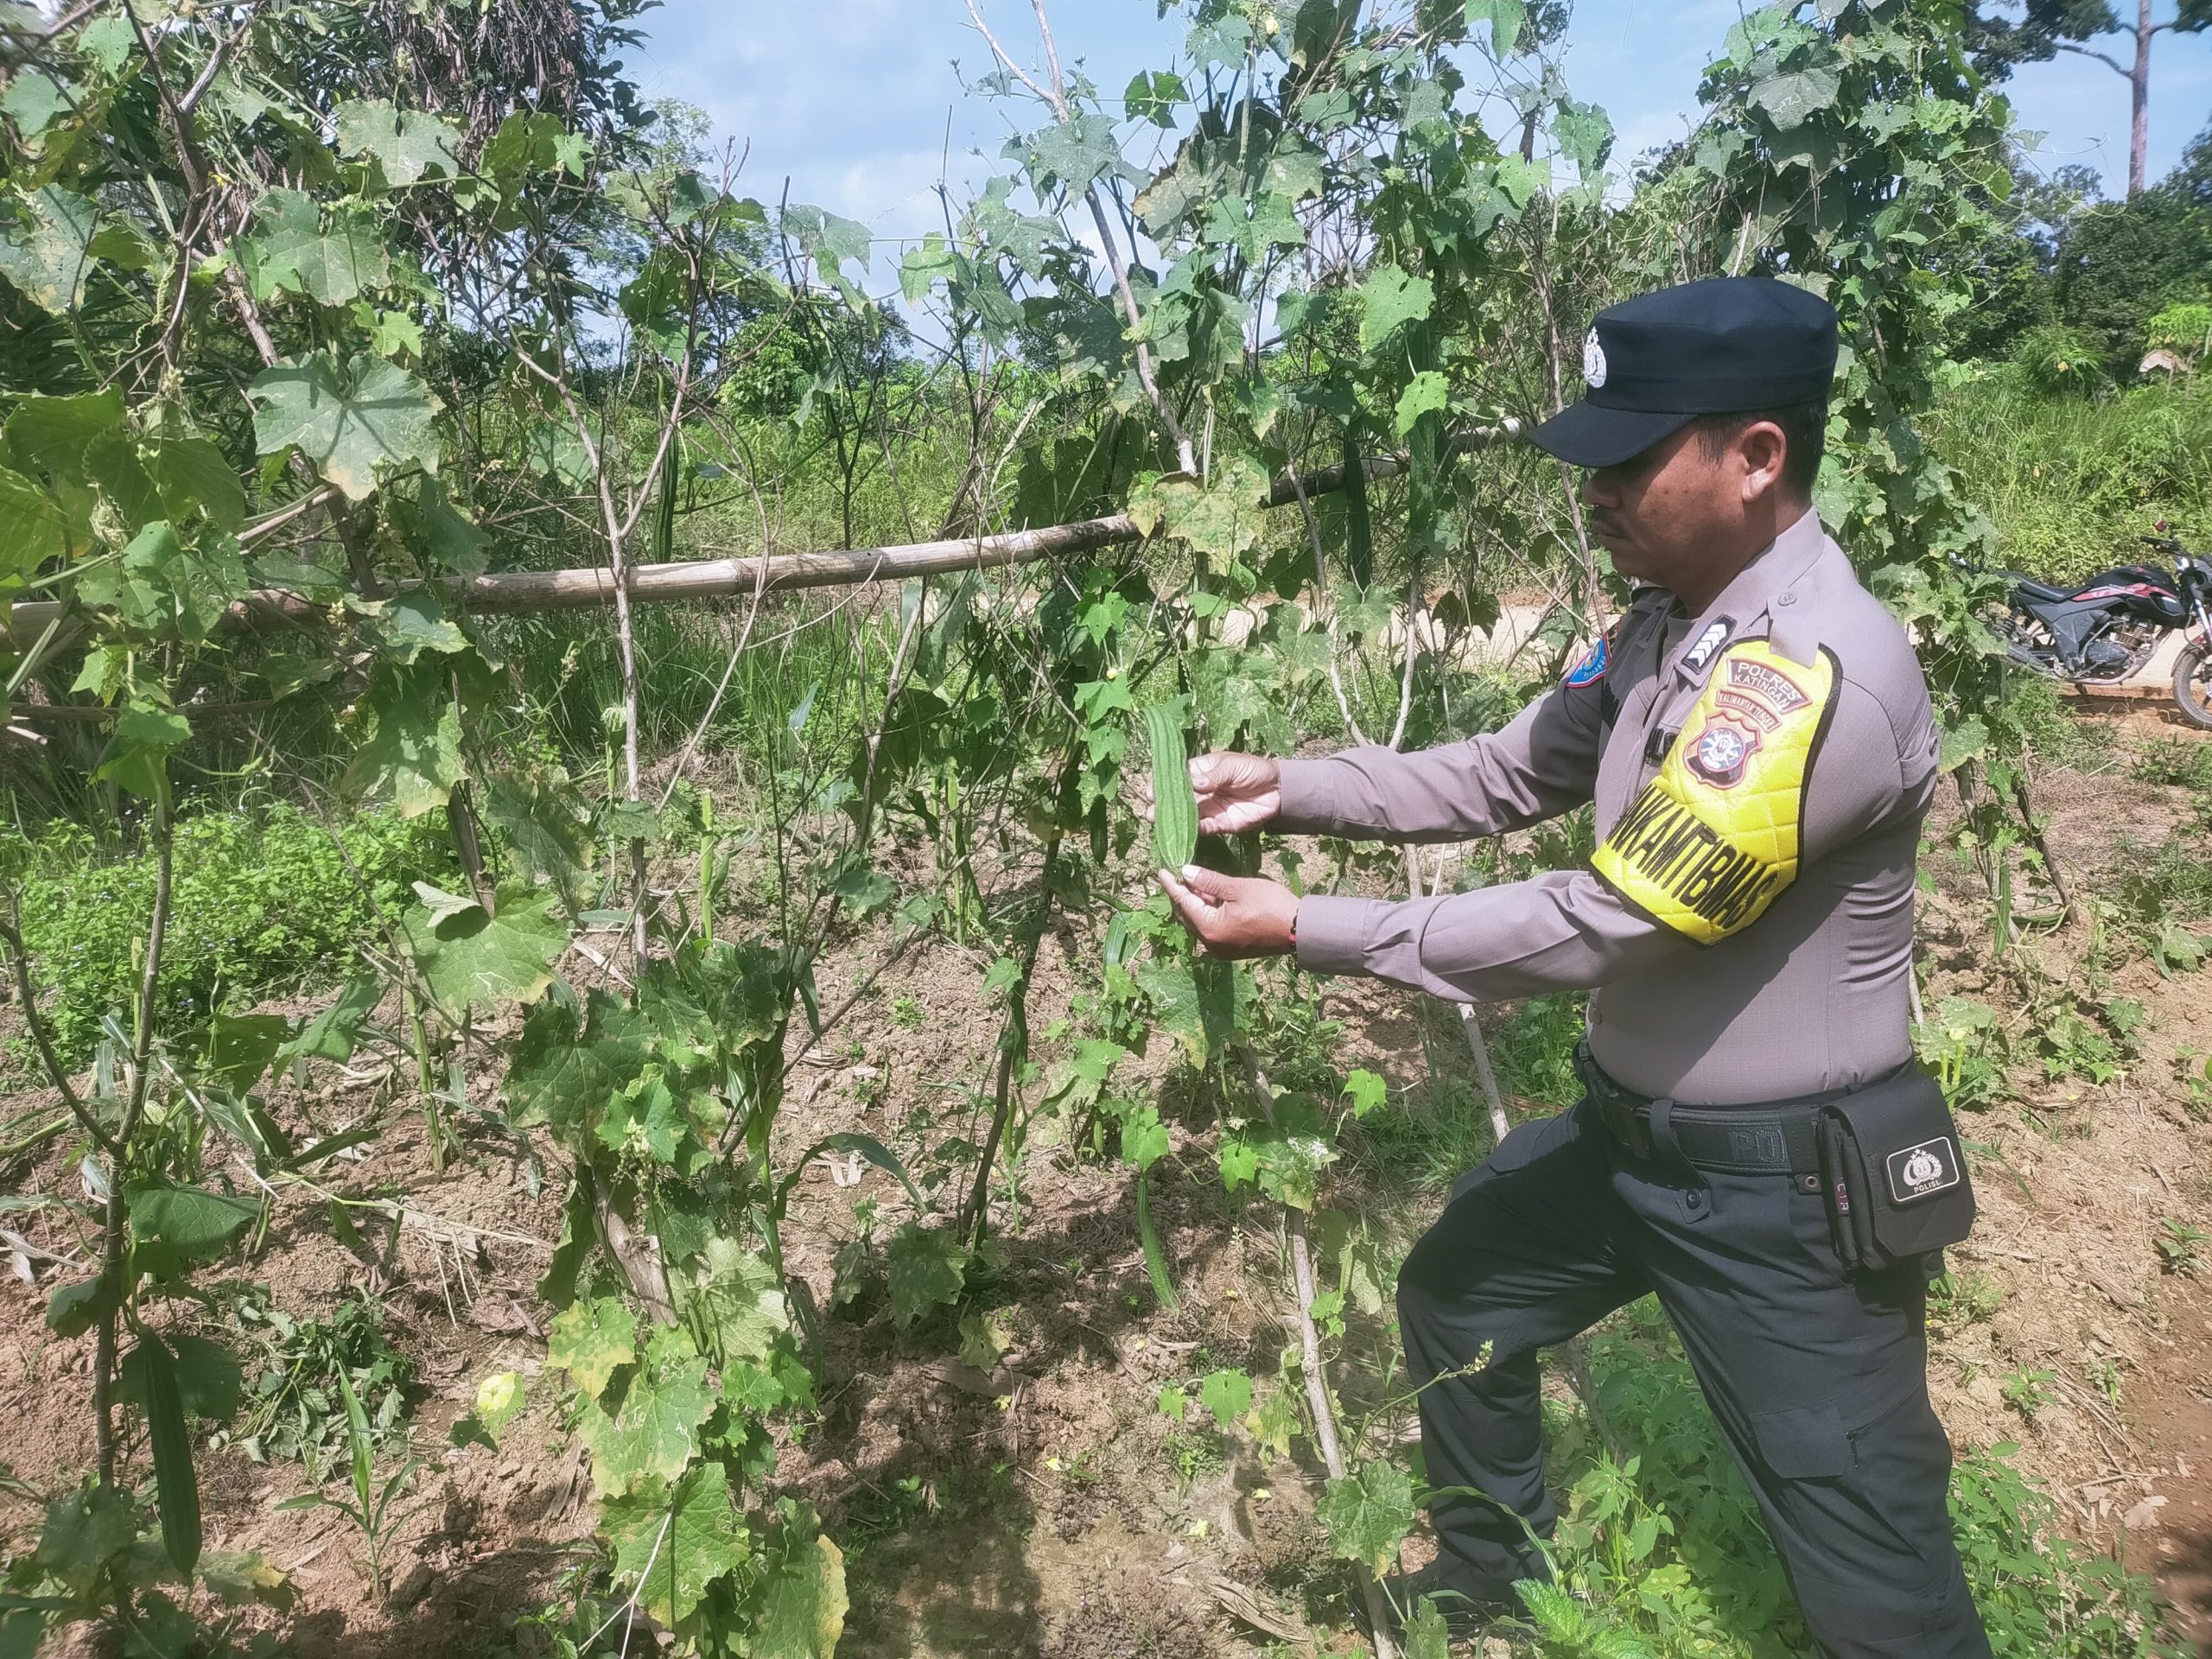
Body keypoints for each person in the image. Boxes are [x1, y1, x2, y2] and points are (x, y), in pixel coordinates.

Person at [1154, 277, 1993, 1656]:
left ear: (1757, 455)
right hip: (1631, 1145)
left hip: (1783, 1197)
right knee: (1463, 1293)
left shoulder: (1812, 676)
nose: (1594, 490)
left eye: (1629, 458)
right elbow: (1503, 771)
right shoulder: (1670, 623)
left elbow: (1611, 920)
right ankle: (1494, 1577)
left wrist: (1311, 929)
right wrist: (1288, 785)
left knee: (1870, 1561)